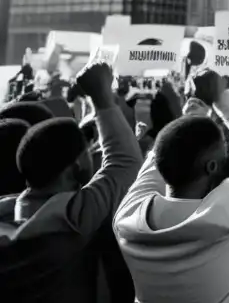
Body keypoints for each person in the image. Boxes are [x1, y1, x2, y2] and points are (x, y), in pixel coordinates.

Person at [113, 56, 229, 303]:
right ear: (212, 166)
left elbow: (164, 154)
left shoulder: (127, 218)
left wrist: (197, 112)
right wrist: (219, 97)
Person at [0, 61, 143, 303]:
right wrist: (101, 98)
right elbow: (126, 163)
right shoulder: (71, 217)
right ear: (76, 166)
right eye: (87, 152)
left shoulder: (8, 211)